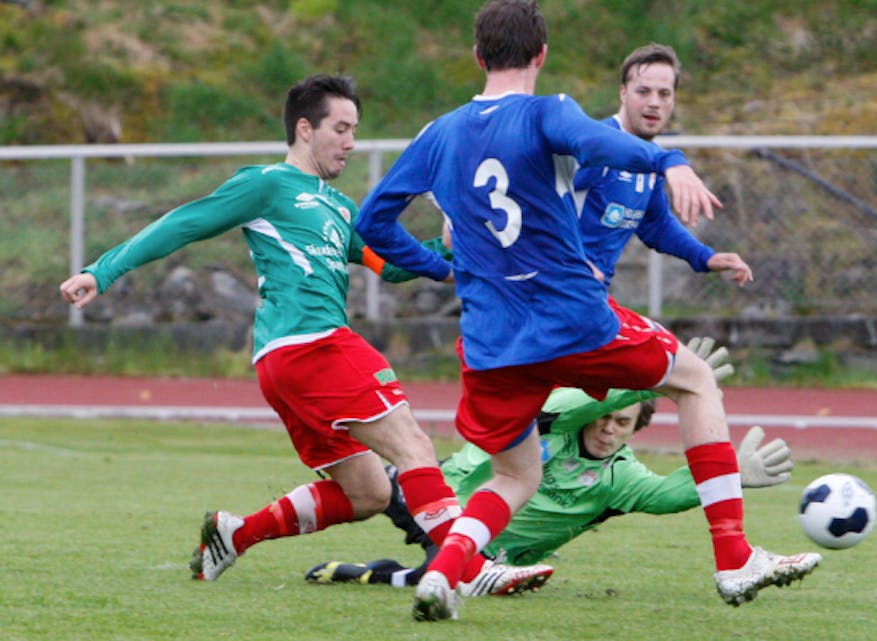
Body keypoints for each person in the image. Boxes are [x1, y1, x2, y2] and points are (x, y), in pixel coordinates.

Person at [354, 0, 819, 620]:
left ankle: (443, 573)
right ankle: (734, 559)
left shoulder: (440, 132)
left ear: (477, 56)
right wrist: (670, 160)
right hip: (572, 318)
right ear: (542, 54)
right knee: (697, 380)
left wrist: (446, 265)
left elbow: (372, 221)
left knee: (516, 477)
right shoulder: (550, 112)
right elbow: (606, 143)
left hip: (492, 340)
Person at [58, 74, 478, 586]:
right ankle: (468, 569)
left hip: (286, 363)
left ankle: (235, 535)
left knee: (369, 492)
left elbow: (389, 265)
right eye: (341, 129)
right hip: (312, 343)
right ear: (305, 128)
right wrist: (102, 271)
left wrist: (450, 249)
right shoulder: (267, 184)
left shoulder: (342, 209)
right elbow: (182, 223)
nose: (351, 142)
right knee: (415, 445)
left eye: (354, 131)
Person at [305, 342, 795, 597]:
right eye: (605, 417)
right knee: (365, 489)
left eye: (621, 423)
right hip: (443, 492)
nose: (607, 428)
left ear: (633, 431)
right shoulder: (558, 422)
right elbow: (581, 398)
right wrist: (659, 381)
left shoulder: (620, 479)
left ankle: (375, 576)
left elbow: (667, 494)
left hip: (491, 548)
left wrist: (732, 473)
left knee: (453, 575)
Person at [574, 43, 753, 287]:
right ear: (623, 93)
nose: (654, 103)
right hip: (551, 294)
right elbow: (530, 203)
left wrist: (705, 256)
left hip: (588, 295)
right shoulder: (595, 148)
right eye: (643, 92)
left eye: (664, 94)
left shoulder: (649, 162)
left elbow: (656, 225)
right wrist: (570, 260)